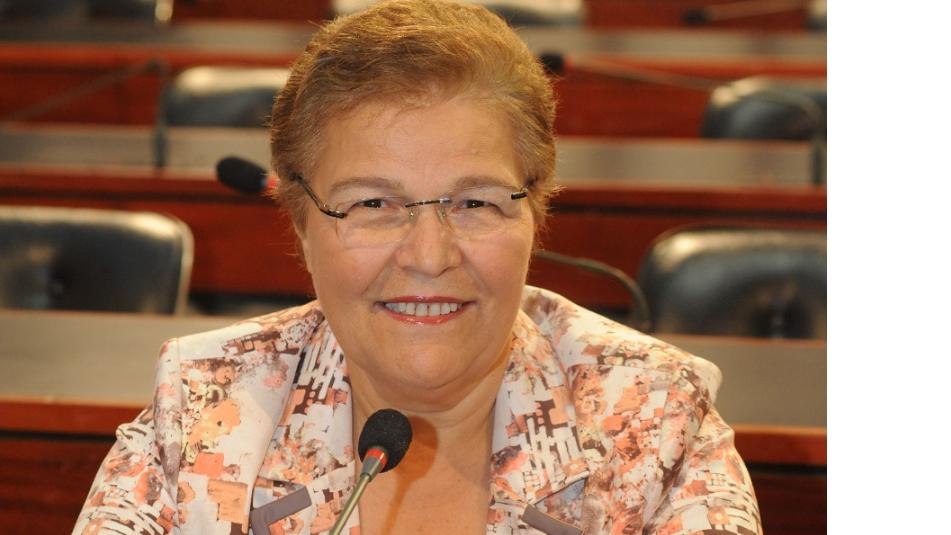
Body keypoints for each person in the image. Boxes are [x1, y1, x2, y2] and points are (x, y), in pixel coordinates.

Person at [73, 1, 761, 533]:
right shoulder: (201, 408)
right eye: (373, 204)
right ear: (301, 223)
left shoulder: (655, 420)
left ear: (536, 211)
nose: (430, 256)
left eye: (476, 202)